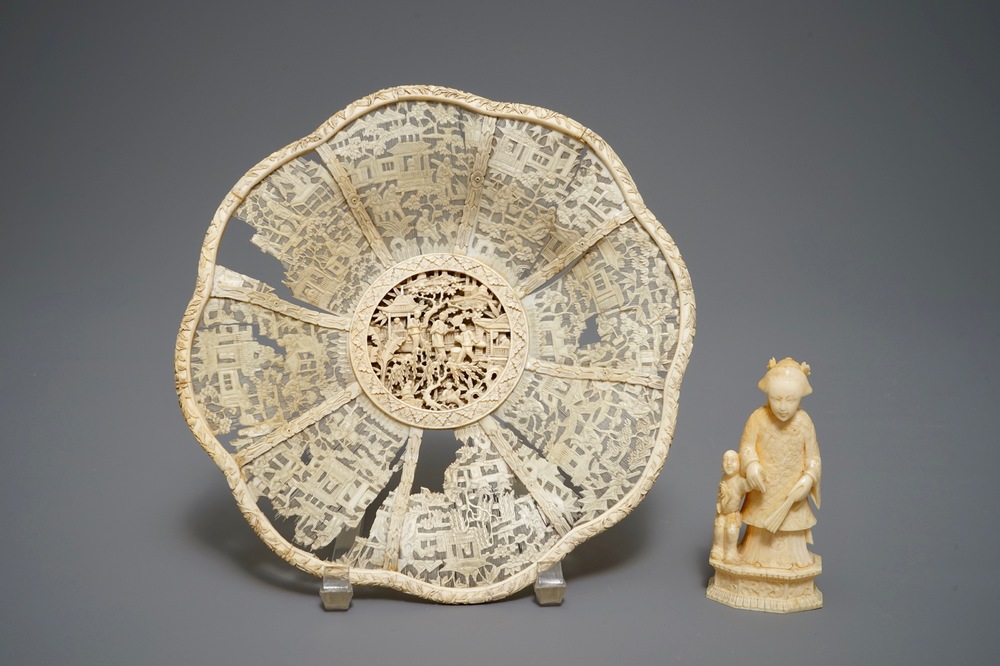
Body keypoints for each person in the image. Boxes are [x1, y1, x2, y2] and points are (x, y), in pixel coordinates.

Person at [738, 357, 821, 568]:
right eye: (776, 399)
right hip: (764, 490)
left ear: (799, 398)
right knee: (758, 538)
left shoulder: (804, 422)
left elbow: (813, 458)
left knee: (790, 533)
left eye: (790, 400)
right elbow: (747, 447)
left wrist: (809, 479)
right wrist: (751, 465)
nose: (782, 407)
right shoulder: (758, 418)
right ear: (768, 395)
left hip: (792, 492)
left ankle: (792, 561)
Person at [711, 450, 749, 563]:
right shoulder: (724, 478)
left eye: (733, 461)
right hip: (722, 512)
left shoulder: (740, 481)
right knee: (718, 530)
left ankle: (730, 552)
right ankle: (718, 549)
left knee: (731, 531)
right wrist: (723, 493)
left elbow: (749, 485)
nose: (728, 463)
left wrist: (754, 474)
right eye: (725, 460)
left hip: (732, 513)